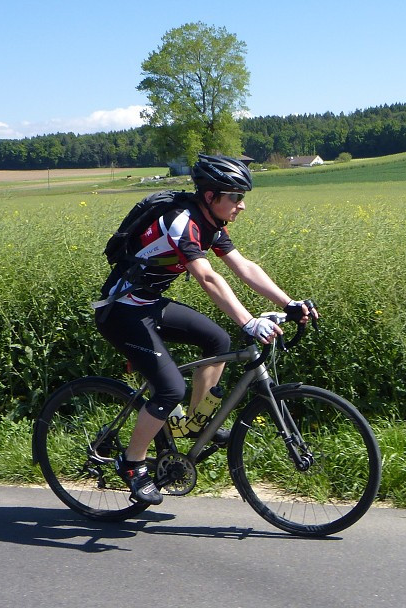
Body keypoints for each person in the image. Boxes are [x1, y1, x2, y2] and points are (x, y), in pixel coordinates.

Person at [94, 154, 317, 505]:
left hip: (148, 303)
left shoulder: (210, 223)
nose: (242, 206)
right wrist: (249, 321)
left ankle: (196, 422)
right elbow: (207, 277)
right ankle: (132, 464)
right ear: (211, 195)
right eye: (236, 197)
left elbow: (243, 267)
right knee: (170, 390)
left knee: (217, 339)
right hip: (122, 312)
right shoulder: (182, 222)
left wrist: (289, 303)